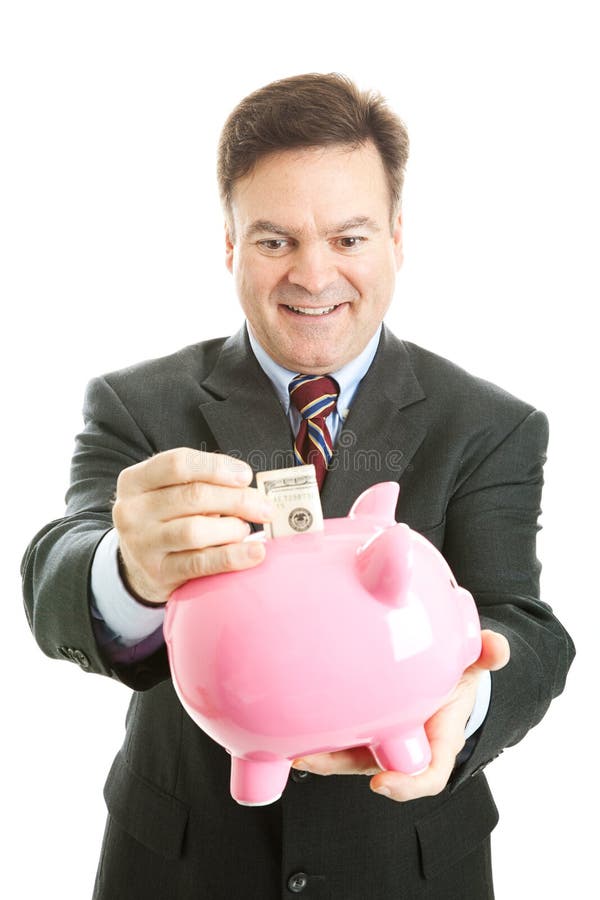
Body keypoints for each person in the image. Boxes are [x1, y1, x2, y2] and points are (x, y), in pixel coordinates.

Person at [22, 72, 574, 899]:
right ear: (230, 244)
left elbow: (521, 619)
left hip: (407, 864)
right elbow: (58, 569)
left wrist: (470, 701)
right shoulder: (138, 405)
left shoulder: (490, 424)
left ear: (396, 237)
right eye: (276, 240)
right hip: (182, 863)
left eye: (349, 239)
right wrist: (130, 570)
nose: (314, 277)